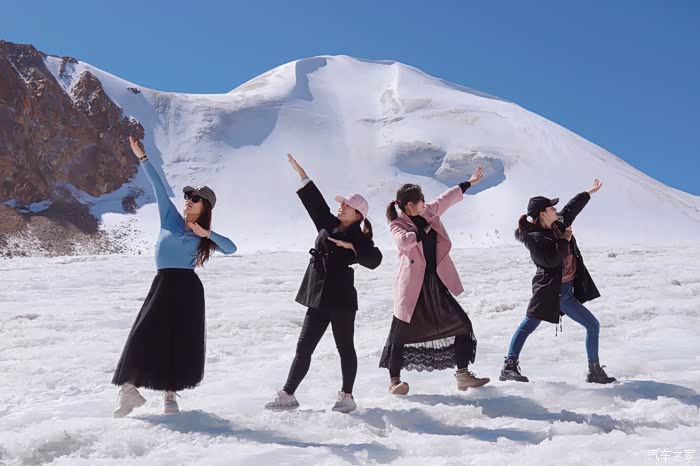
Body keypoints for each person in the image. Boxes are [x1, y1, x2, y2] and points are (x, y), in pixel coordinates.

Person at [112, 136, 237, 417]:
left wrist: (207, 234)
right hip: (163, 284)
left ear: (205, 206)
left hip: (188, 289)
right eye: (187, 197)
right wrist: (142, 157)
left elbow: (231, 248)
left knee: (177, 342)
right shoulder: (170, 218)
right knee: (143, 335)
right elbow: (158, 186)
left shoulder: (203, 236)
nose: (188, 201)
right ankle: (128, 389)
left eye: (195, 199)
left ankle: (170, 395)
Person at [265, 154, 382, 414]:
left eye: (347, 206)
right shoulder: (328, 224)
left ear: (358, 214)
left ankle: (347, 396)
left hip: (341, 300)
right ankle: (288, 394)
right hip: (318, 297)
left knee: (345, 348)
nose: (341, 207)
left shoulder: (360, 238)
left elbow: (375, 260)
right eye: (342, 204)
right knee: (303, 347)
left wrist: (352, 248)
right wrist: (303, 175)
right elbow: (315, 203)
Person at [379, 167, 490, 395]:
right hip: (412, 287)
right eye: (421, 200)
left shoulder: (429, 211)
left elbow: (446, 198)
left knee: (462, 325)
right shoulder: (397, 224)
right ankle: (394, 382)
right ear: (410, 205)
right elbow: (404, 241)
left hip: (434, 283)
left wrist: (468, 182)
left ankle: (462, 375)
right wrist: (422, 231)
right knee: (399, 334)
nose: (425, 203)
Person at [500, 179, 616, 384]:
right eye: (551, 207)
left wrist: (588, 192)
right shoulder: (534, 238)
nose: (555, 209)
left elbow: (571, 208)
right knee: (591, 325)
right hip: (552, 291)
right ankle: (593, 370)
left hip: (566, 289)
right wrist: (564, 240)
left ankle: (510, 366)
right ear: (542, 213)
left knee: (531, 324)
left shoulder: (558, 224)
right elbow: (552, 260)